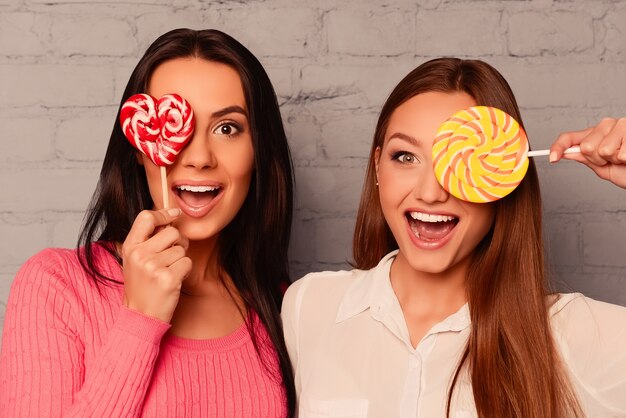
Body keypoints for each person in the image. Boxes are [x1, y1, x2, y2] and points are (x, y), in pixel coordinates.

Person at [282, 58, 626, 418]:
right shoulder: (310, 306)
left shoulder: (571, 334)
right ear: (378, 167)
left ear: (503, 178)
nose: (430, 193)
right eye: (406, 156)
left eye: (464, 160)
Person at [0, 28, 295, 417]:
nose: (199, 157)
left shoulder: (282, 305)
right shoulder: (57, 286)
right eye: (178, 124)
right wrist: (140, 321)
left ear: (258, 151)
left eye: (227, 128)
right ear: (140, 146)